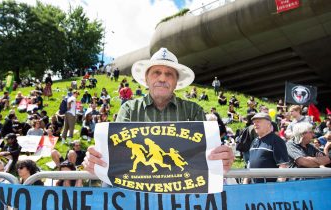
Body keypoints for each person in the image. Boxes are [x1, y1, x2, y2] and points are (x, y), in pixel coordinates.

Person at [83, 47, 234, 176]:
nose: (162, 78)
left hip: (181, 194)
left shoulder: (193, 110)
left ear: (176, 82)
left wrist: (222, 158)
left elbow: (206, 155)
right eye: (156, 72)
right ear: (146, 79)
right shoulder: (129, 110)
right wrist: (97, 160)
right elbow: (117, 152)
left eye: (169, 74)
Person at [244, 113, 288, 184]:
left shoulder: (276, 140)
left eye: (258, 121)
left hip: (269, 187)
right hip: (254, 186)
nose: (255, 124)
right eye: (254, 122)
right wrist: (245, 182)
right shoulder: (254, 141)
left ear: (268, 124)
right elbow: (250, 164)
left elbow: (283, 166)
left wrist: (278, 186)